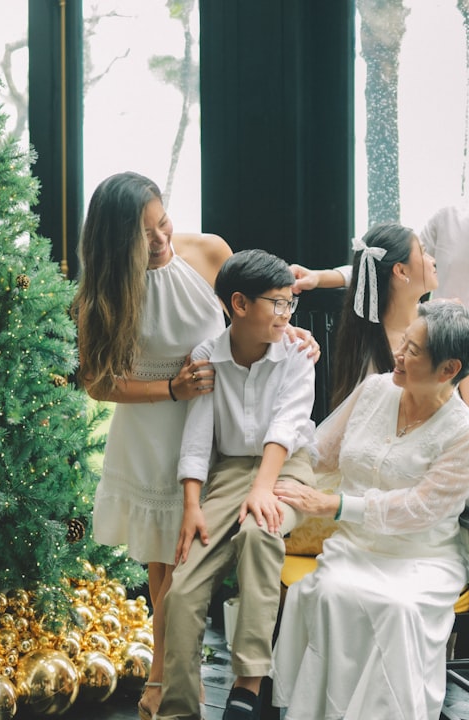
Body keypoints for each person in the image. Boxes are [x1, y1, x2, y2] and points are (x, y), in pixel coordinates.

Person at [290, 108, 469, 703]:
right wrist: (320, 278)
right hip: (433, 377)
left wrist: (466, 333)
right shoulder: (450, 222)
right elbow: (382, 268)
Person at [72, 172, 316, 720]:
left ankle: (212, 677)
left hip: (221, 425)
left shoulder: (208, 253)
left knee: (207, 554)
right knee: (166, 557)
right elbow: (97, 381)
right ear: (115, 242)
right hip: (157, 421)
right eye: (144, 235)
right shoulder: (103, 295)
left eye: (164, 223)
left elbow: (250, 315)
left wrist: (290, 330)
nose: (161, 240)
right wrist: (171, 388)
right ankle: (167, 677)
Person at [270, 299, 469, 719]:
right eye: (403, 342)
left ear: (449, 369)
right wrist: (270, 472)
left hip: (421, 557)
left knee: (397, 609)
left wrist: (333, 504)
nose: (399, 355)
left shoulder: (467, 434)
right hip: (355, 548)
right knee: (329, 594)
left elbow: (419, 509)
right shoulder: (374, 390)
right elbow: (320, 452)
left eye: (413, 350)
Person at [156, 249, 317, 720]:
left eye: (291, 304)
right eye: (278, 303)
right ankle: (178, 708)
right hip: (227, 472)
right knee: (182, 590)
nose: (287, 315)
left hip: (287, 467)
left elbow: (286, 427)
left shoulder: (296, 352)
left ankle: (248, 684)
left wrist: (264, 489)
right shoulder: (208, 357)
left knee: (259, 531)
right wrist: (192, 504)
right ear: (240, 304)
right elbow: (198, 436)